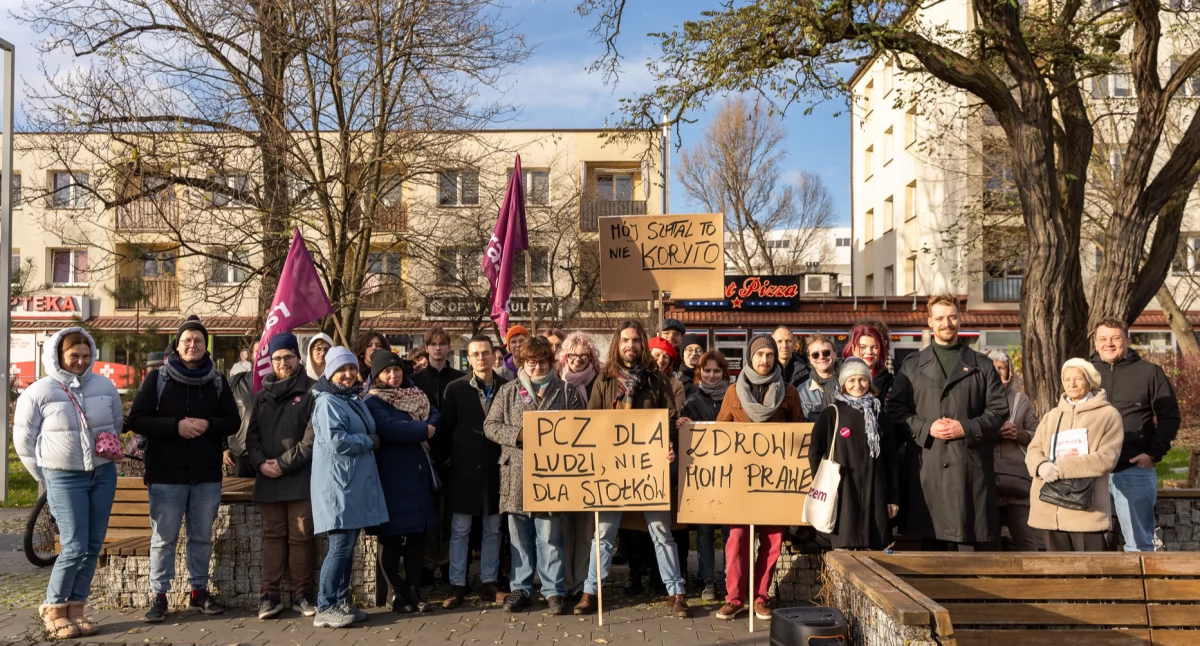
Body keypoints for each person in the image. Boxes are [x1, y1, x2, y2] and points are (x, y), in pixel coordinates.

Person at [574, 320, 690, 619]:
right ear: (618, 344)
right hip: (611, 470)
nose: (630, 345)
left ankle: (676, 592)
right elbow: (592, 421)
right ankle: (591, 592)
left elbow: (670, 418)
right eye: (625, 340)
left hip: (649, 469)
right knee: (603, 535)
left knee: (661, 532)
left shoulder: (657, 380)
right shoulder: (604, 379)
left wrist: (669, 444)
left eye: (636, 340)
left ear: (642, 344)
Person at [127, 315, 240, 622]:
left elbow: (233, 421)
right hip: (166, 476)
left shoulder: (217, 380)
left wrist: (209, 425)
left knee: (201, 538)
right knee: (163, 540)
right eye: (187, 340)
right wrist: (176, 426)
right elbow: (137, 419)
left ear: (206, 346)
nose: (193, 345)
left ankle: (198, 594)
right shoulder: (158, 378)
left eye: (198, 341)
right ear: (176, 345)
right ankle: (158, 596)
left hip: (206, 476)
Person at [15, 328, 121, 639]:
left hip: (102, 473)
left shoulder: (105, 386)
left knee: (92, 545)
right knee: (73, 545)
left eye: (86, 355)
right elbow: (24, 442)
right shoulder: (39, 391)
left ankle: (76, 609)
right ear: (58, 355)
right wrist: (45, 475)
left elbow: (115, 425)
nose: (81, 361)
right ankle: (53, 607)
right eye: (74, 355)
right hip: (63, 476)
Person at [887, 295, 1008, 551]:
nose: (947, 323)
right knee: (931, 559)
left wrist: (966, 427)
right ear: (930, 322)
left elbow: (999, 410)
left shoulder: (982, 365)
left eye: (952, 317)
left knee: (971, 559)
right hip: (927, 473)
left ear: (960, 319)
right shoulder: (911, 366)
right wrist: (926, 428)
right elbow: (896, 411)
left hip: (969, 474)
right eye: (940, 318)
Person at [484, 336, 585, 615]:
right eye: (531, 362)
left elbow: (580, 428)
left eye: (542, 362)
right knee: (518, 536)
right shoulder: (508, 391)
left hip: (551, 475)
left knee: (550, 535)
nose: (537, 367)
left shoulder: (566, 391)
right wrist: (518, 435)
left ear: (551, 362)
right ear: (522, 363)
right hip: (516, 472)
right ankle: (521, 588)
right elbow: (490, 425)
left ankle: (554, 590)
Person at [714, 334, 804, 621]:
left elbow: (799, 434)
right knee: (737, 540)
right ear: (749, 357)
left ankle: (760, 597)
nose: (764, 360)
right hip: (741, 483)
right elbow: (720, 433)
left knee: (772, 541)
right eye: (759, 354)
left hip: (777, 482)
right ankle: (734, 598)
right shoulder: (733, 392)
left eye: (769, 354)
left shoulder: (789, 392)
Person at [309, 347, 388, 629]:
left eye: (352, 368)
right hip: (338, 486)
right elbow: (337, 441)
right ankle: (325, 606)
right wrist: (369, 441)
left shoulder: (352, 398)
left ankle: (340, 602)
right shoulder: (328, 401)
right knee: (340, 547)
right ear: (330, 372)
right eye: (341, 369)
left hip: (351, 485)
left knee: (347, 547)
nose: (348, 374)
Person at [245, 332, 318, 619]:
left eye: (288, 357)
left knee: (301, 538)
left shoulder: (312, 391)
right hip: (268, 480)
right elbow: (251, 438)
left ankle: (303, 595)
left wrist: (283, 464)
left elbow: (312, 439)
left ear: (298, 358)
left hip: (299, 478)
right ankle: (269, 596)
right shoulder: (262, 395)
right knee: (272, 537)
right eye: (277, 358)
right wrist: (261, 463)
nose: (283, 363)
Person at [1091, 318, 1180, 552]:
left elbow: (1170, 416)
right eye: (1102, 339)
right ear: (1095, 343)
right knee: (1089, 545)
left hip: (1133, 469)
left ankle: (1140, 578)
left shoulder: (1149, 372)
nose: (1108, 343)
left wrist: (1153, 454)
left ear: (1128, 340)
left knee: (1139, 545)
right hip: (1091, 471)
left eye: (1115, 338)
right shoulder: (1085, 374)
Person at [364, 349, 440, 614]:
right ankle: (394, 592)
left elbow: (434, 414)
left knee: (418, 536)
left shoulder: (415, 394)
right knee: (392, 539)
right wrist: (423, 429)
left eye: (396, 370)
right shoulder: (373, 401)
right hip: (391, 478)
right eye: (387, 371)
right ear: (377, 376)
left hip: (418, 476)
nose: (393, 375)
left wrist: (427, 426)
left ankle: (414, 589)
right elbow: (390, 428)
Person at [1026, 359, 1124, 552]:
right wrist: (1040, 466)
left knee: (1092, 568)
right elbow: (1033, 450)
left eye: (1078, 378)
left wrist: (1060, 468)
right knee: (1057, 569)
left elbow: (1107, 458)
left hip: (1086, 511)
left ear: (1089, 381)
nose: (1071, 384)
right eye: (1066, 379)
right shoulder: (1052, 416)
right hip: (1049, 509)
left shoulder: (1108, 415)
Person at [440, 335, 508, 609]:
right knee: (460, 529)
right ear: (468, 358)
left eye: (485, 353)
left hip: (496, 468)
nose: (481, 358)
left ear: (493, 355)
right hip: (463, 469)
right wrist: (449, 461)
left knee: (493, 528)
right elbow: (446, 430)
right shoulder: (455, 388)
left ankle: (489, 581)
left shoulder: (506, 387)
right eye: (476, 354)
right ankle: (458, 583)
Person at [808, 358, 899, 550]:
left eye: (862, 379)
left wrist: (893, 498)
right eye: (851, 380)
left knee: (877, 553)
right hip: (843, 495)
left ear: (869, 382)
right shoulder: (832, 413)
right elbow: (815, 452)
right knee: (844, 551)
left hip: (876, 495)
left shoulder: (879, 414)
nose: (857, 385)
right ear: (843, 384)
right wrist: (823, 483)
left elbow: (891, 459)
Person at [678, 350, 730, 602]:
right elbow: (682, 439)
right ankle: (708, 579)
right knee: (704, 529)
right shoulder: (691, 401)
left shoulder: (734, 398)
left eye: (716, 371)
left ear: (724, 373)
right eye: (707, 371)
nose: (711, 375)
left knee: (730, 530)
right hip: (702, 477)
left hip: (730, 475)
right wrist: (681, 426)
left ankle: (731, 579)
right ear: (699, 373)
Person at [554, 331, 601, 600]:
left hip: (592, 464)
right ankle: (564, 581)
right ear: (565, 356)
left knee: (585, 529)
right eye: (573, 355)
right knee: (562, 528)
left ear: (591, 356)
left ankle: (582, 582)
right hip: (562, 464)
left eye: (584, 355)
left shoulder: (600, 382)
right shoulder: (555, 383)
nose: (578, 360)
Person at [986, 350, 1039, 551]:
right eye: (992, 368)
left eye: (1001, 367)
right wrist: (995, 433)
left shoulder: (1020, 400)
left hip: (1017, 483)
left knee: (1027, 541)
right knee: (988, 545)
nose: (997, 371)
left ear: (1009, 372)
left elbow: (1038, 435)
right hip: (986, 483)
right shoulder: (975, 400)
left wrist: (1018, 434)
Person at [225, 340, 259, 478]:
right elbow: (223, 414)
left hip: (272, 455)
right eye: (258, 351)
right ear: (252, 355)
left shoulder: (281, 383)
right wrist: (224, 447)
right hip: (241, 453)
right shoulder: (236, 382)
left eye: (266, 350)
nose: (262, 354)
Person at [843, 324, 894, 399]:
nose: (869, 352)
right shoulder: (838, 380)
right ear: (853, 349)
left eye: (875, 347)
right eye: (863, 347)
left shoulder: (890, 382)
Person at [798, 333, 840, 422]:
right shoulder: (802, 392)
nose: (821, 357)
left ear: (835, 354)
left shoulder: (849, 384)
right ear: (810, 359)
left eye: (826, 353)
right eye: (815, 355)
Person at [649, 336, 687, 411]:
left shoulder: (677, 386)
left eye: (665, 357)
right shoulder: (638, 379)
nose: (661, 360)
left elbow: (676, 413)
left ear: (670, 361)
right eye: (656, 355)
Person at [677, 334, 707, 399]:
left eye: (698, 350)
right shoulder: (675, 379)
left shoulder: (709, 377)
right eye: (689, 350)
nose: (694, 353)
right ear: (682, 354)